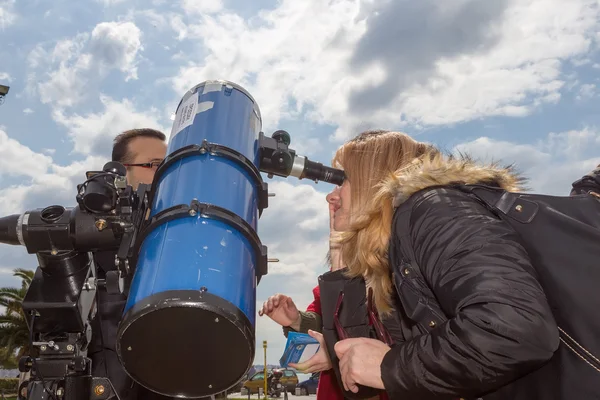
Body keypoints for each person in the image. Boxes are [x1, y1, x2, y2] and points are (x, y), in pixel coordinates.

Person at [303, 130, 559, 400]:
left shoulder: (435, 209)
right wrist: (340, 251)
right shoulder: (394, 255)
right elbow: (360, 378)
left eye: (341, 181)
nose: (331, 197)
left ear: (372, 180)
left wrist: (392, 367)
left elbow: (516, 328)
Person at [90, 128, 196, 400]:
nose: (166, 173)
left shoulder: (185, 238)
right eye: (154, 165)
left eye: (169, 165)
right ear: (120, 172)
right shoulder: (86, 236)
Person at [259, 187, 346, 400]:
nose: (331, 196)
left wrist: (338, 353)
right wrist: (296, 320)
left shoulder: (401, 267)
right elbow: (324, 323)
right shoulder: (331, 279)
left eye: (346, 182)